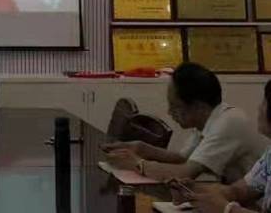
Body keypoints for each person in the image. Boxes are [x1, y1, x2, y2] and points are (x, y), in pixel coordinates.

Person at [103, 62, 268, 183]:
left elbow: (184, 173)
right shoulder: (209, 119)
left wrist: (137, 164)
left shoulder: (229, 122)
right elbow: (182, 158)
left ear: (198, 106)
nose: (169, 112)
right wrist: (141, 148)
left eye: (175, 106)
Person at [169, 79, 271, 213]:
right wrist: (195, 191)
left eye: (264, 103)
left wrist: (227, 209)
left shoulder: (230, 120)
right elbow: (238, 191)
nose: (259, 108)